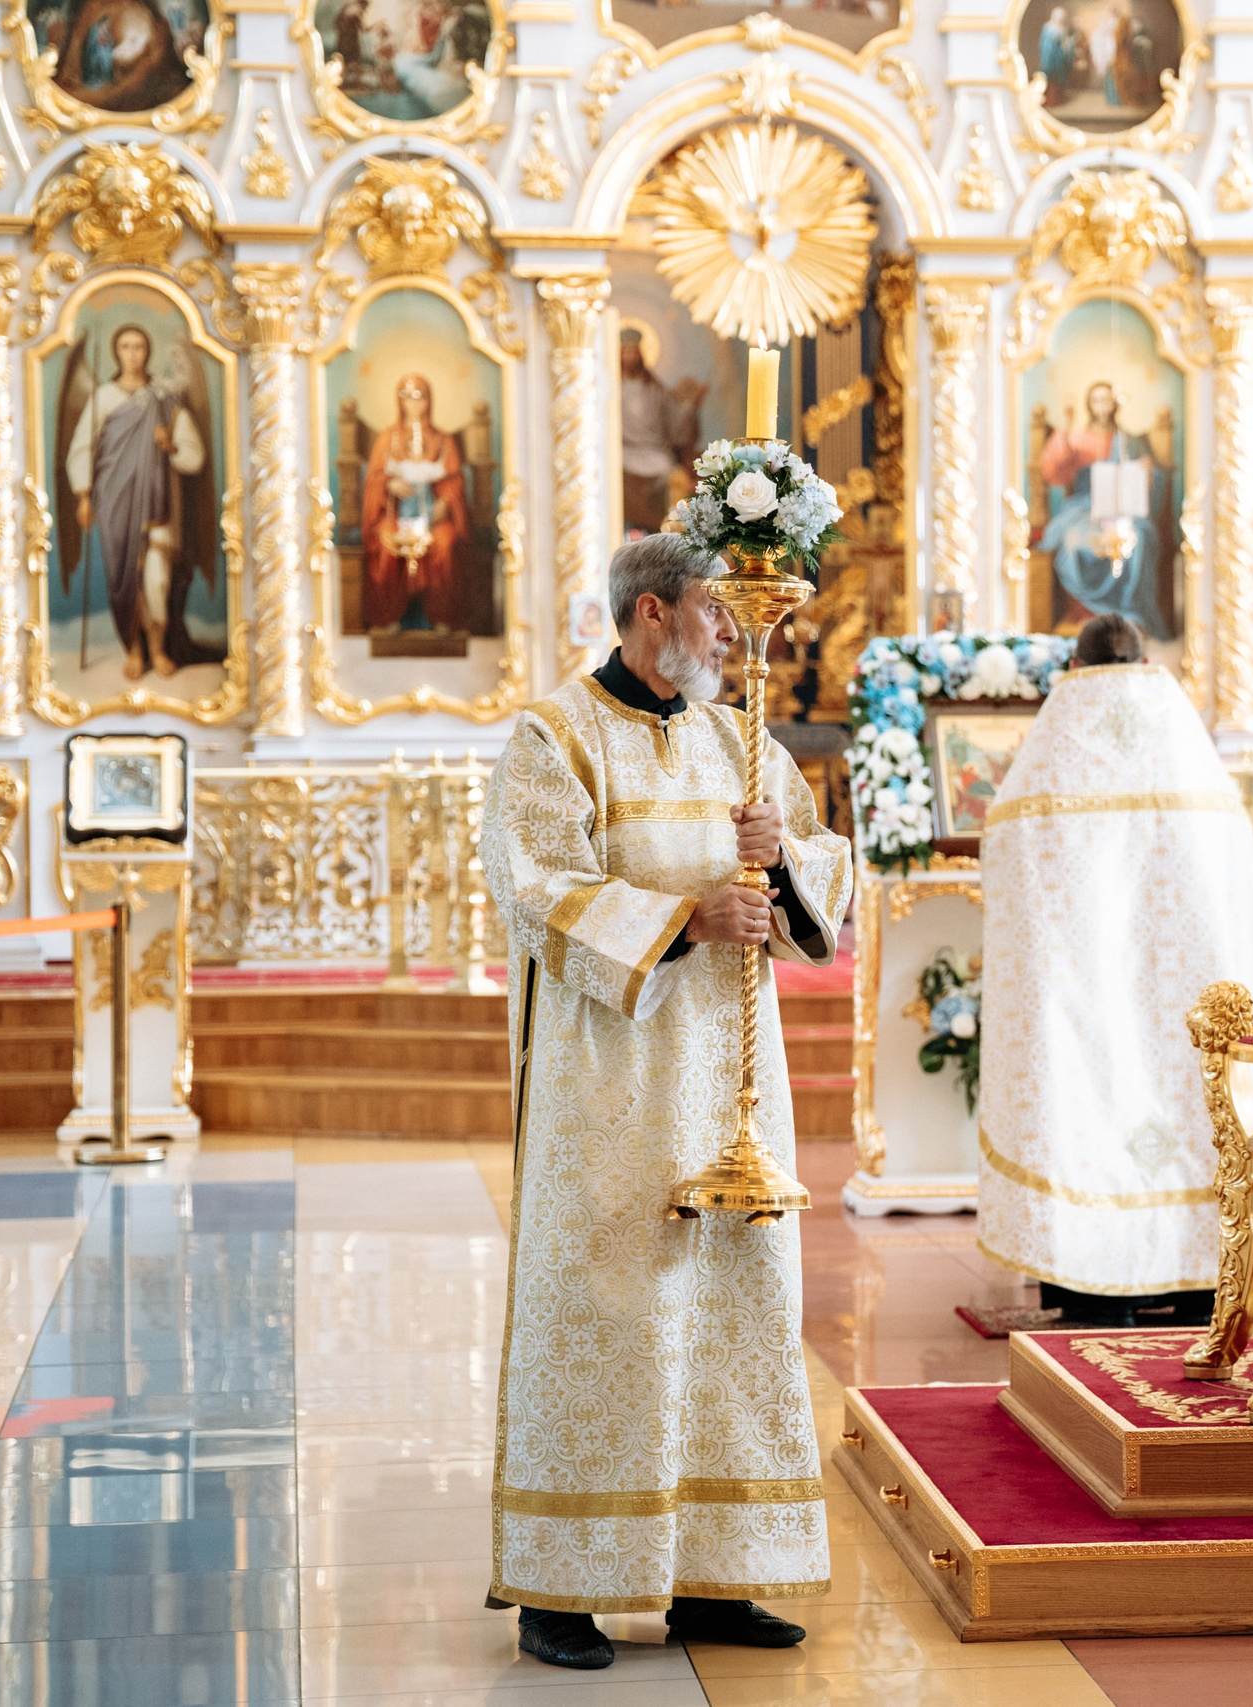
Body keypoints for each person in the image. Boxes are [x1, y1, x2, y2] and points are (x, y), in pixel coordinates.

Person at [478, 533, 849, 1671]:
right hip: (612, 1088)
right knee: (606, 1307)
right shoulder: (554, 739)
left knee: (736, 1306)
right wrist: (688, 916)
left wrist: (778, 861)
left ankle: (715, 1577)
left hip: (731, 1086)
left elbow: (823, 879)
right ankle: (563, 1589)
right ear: (650, 614)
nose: (731, 637)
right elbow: (533, 888)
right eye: (713, 615)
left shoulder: (740, 743)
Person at [975, 613, 1253, 1326]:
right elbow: (1233, 888)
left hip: (1088, 995)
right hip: (1194, 994)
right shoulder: (1189, 754)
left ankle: (1091, 1282)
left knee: (1088, 1099)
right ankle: (1205, 1276)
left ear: (1076, 667)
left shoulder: (1054, 751)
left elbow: (1011, 855)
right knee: (1194, 1109)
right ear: (1146, 661)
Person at [58, 322, 219, 680]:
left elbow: (195, 456)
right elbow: (82, 448)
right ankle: (133, 650)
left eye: (139, 347)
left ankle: (158, 650)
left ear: (147, 352)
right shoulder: (103, 397)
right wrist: (84, 496)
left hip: (159, 503)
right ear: (117, 353)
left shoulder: (164, 398)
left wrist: (170, 445)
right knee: (124, 579)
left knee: (157, 579)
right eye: (125, 347)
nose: (132, 354)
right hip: (115, 500)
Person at [1029, 382, 1177, 640]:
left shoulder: (1128, 441)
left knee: (1138, 539)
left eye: (1107, 400)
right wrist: (1066, 425)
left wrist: (1145, 472)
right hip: (1084, 509)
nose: (1102, 406)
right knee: (1075, 541)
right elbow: (1052, 471)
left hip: (1123, 510)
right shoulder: (1077, 437)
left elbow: (1157, 478)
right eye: (1096, 400)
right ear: (1089, 404)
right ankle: (1084, 614)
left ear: (1114, 404)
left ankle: (1130, 614)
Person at [359, 373, 469, 633]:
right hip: (395, 515)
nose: (413, 403)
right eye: (406, 396)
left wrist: (445, 499)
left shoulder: (443, 440)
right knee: (386, 540)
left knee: (445, 541)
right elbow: (374, 477)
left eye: (419, 396)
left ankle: (443, 617)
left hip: (434, 517)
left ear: (429, 401)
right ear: (399, 401)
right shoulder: (388, 438)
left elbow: (454, 479)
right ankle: (388, 618)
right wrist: (388, 484)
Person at [618, 329, 705, 537]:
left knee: (664, 468)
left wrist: (689, 409)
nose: (630, 356)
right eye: (625, 352)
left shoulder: (655, 389)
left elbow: (675, 428)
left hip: (652, 451)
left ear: (641, 354)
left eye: (633, 351)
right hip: (623, 450)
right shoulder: (610, 387)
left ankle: (661, 528)